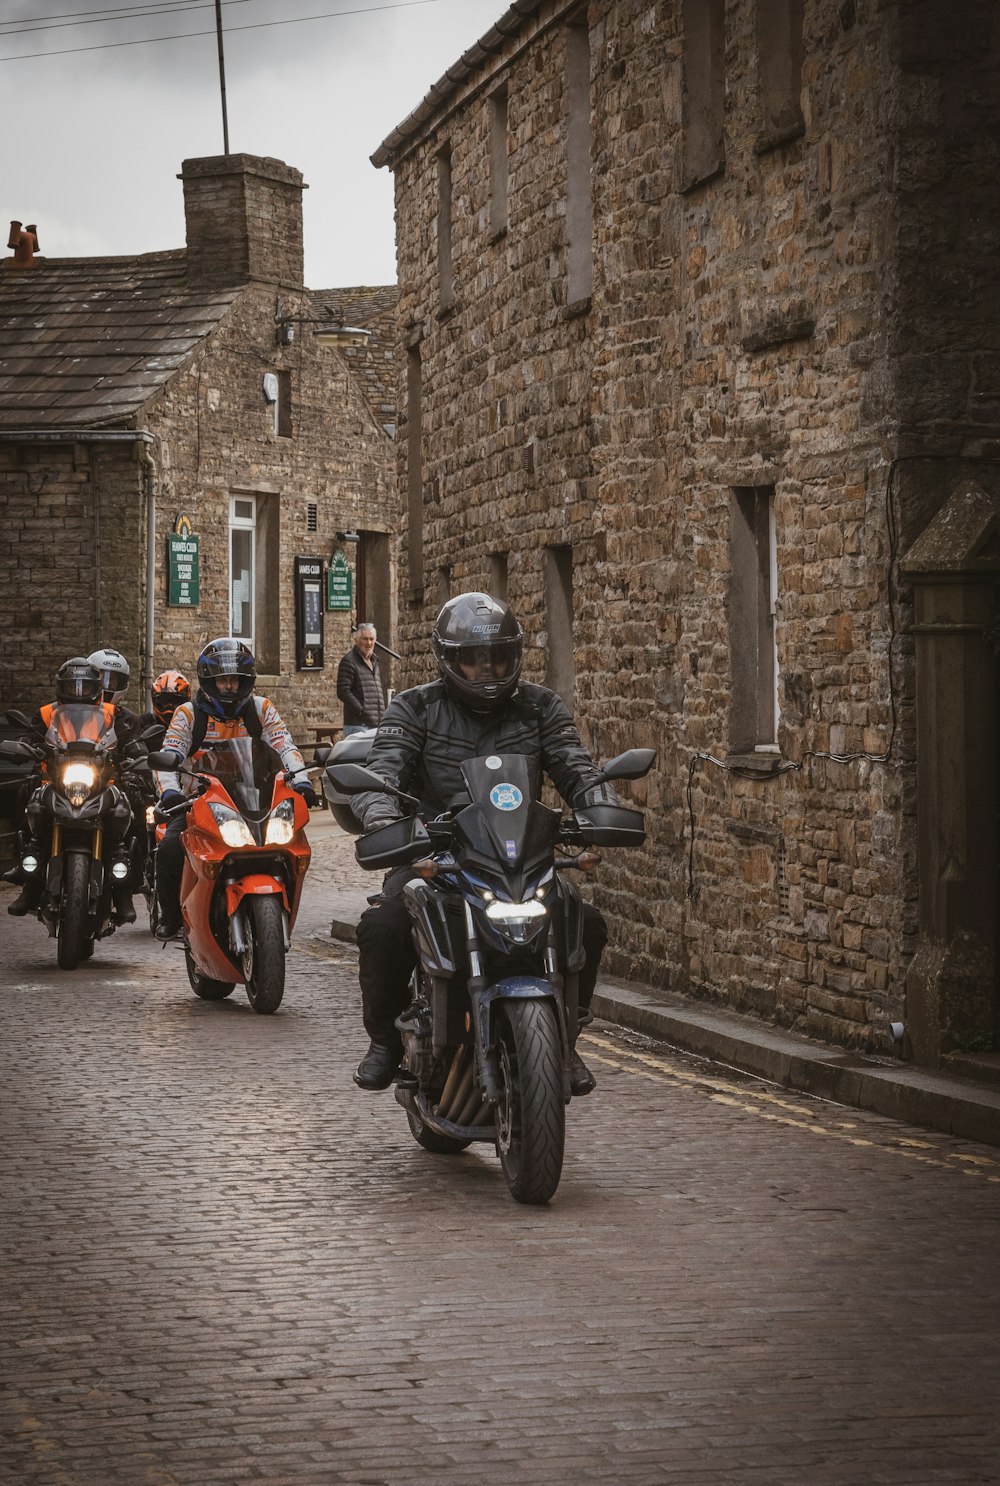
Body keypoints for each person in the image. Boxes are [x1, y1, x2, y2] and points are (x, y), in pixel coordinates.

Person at [349, 592, 616, 1096]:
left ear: (514, 656)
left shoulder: (540, 706)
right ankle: (384, 1040)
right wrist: (385, 822)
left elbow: (576, 766)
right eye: (473, 660)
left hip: (519, 858)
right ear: (450, 660)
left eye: (497, 658)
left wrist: (601, 808)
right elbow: (382, 772)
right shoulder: (415, 707)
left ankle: (565, 1038)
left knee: (587, 921)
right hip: (436, 856)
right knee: (383, 926)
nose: (487, 670)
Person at [152, 637, 318, 939]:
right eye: (222, 680)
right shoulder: (188, 714)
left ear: (247, 681)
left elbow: (284, 746)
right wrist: (170, 792)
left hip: (255, 797)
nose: (229, 687)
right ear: (208, 681)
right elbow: (170, 754)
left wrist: (302, 780)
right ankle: (172, 915)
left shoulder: (262, 709)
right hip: (198, 801)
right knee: (168, 848)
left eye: (235, 681)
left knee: (291, 843)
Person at [6, 656, 134, 920]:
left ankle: (124, 892)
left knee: (124, 811)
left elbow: (129, 739)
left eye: (85, 687)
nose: (78, 692)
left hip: (101, 783)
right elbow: (30, 734)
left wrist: (134, 754)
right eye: (72, 686)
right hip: (55, 781)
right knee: (30, 801)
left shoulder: (111, 714)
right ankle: (27, 876)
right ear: (60, 687)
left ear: (96, 688)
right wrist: (24, 745)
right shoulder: (47, 712)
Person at [336, 623, 385, 734]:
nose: (369, 643)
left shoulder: (374, 661)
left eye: (372, 639)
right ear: (357, 640)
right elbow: (343, 691)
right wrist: (361, 710)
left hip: (375, 724)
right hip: (358, 725)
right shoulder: (349, 661)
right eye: (365, 639)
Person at [138, 670, 192, 748]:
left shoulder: (193, 723)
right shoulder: (145, 722)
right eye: (164, 700)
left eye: (175, 700)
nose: (169, 706)